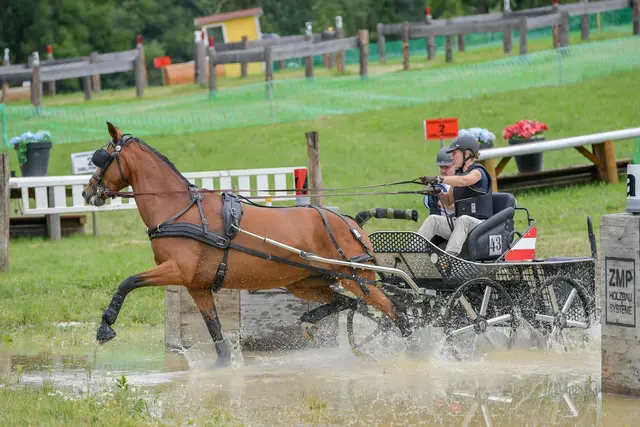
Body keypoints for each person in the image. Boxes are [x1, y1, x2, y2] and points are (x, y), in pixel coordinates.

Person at [417, 134, 493, 257]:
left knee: (464, 220)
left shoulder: (478, 172)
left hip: (481, 226)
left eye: (454, 154)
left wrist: (439, 179)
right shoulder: (458, 175)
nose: (451, 157)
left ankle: (449, 257)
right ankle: (412, 252)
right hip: (460, 225)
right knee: (433, 220)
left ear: (467, 154)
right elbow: (448, 201)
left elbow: (464, 181)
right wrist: (438, 193)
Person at [425, 147, 456, 217]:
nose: (442, 171)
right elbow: (446, 204)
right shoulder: (438, 186)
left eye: (447, 167)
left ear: (456, 166)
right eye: (441, 167)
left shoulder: (464, 182)